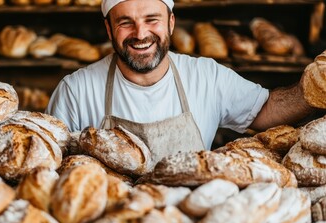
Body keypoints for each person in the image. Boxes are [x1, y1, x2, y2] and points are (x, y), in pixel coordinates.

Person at [46, 0, 314, 162]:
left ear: (171, 23)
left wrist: (313, 90)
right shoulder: (76, 90)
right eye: (126, 22)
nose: (141, 34)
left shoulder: (205, 76)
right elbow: (50, 165)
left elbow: (266, 110)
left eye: (152, 20)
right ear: (108, 29)